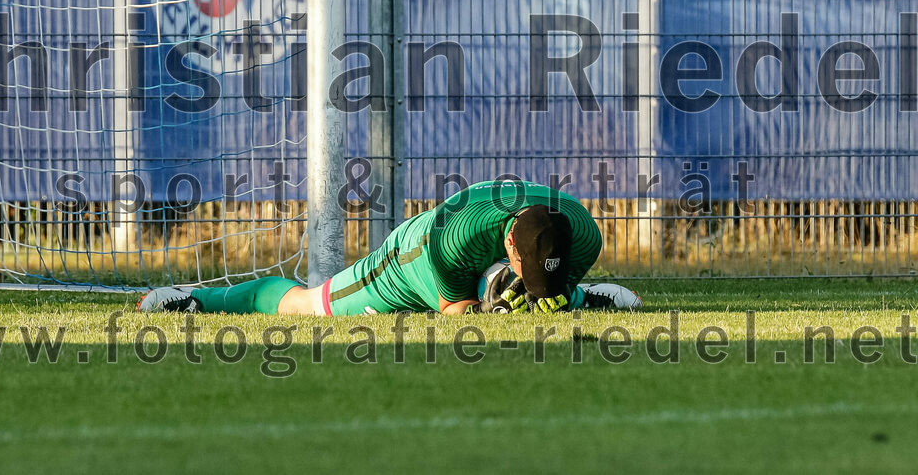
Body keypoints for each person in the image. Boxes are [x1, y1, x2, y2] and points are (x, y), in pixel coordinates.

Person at [137, 180, 605, 316]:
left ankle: (596, 295)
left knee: (546, 301)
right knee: (312, 307)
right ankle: (198, 299)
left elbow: (551, 278)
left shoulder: (583, 234)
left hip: (481, 252)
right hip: (412, 259)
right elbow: (454, 308)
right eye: (527, 267)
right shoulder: (452, 236)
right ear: (509, 243)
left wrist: (550, 291)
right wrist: (489, 311)